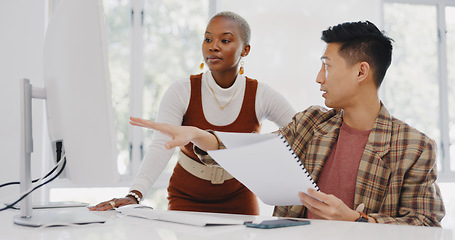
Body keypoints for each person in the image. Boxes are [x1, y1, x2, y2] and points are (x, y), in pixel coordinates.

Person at [128, 21, 445, 226]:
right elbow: (254, 151)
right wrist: (199, 135)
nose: (318, 78)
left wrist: (356, 219)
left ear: (361, 72)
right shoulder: (311, 122)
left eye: (327, 66)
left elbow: (427, 224)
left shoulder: (414, 147)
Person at [89, 11, 296, 215]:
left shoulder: (261, 94)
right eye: (207, 39)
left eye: (224, 40)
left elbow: (300, 133)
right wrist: (135, 194)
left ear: (245, 50)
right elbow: (161, 145)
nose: (213, 46)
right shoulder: (182, 90)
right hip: (187, 197)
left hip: (239, 198)